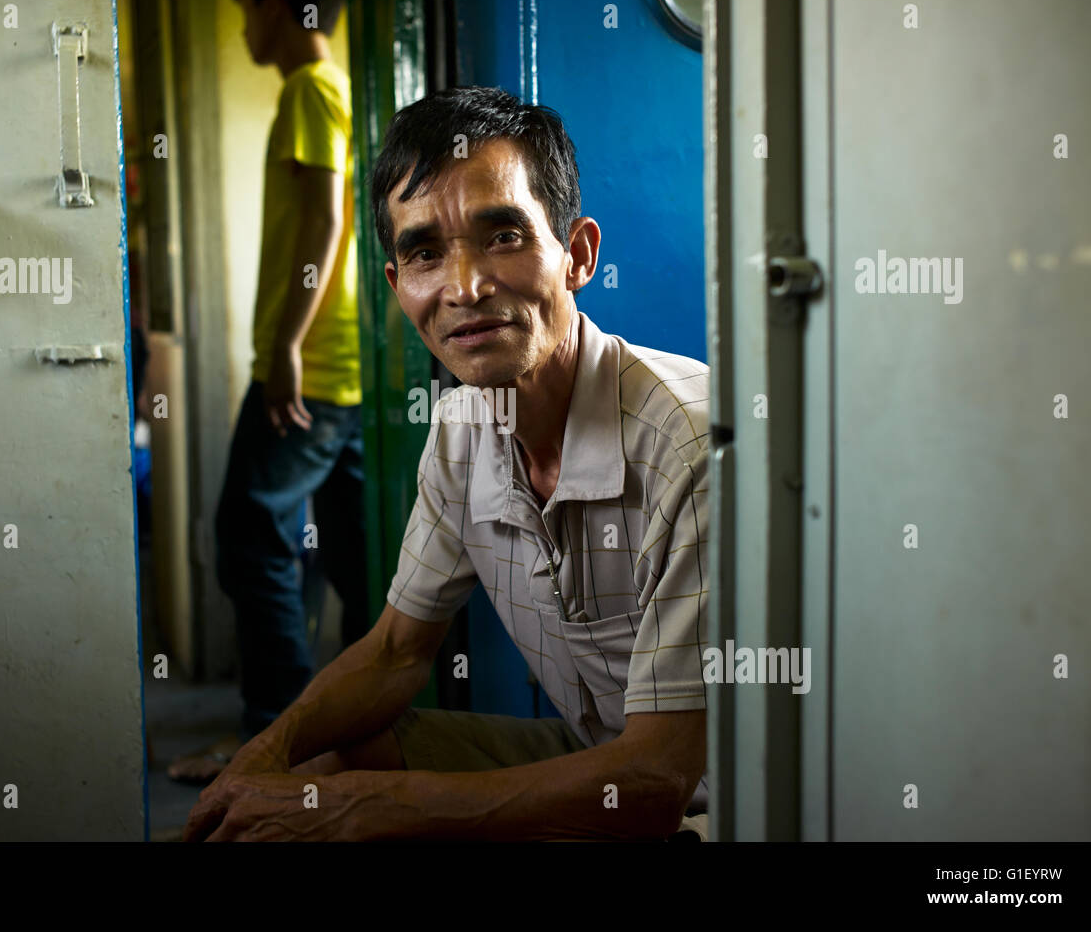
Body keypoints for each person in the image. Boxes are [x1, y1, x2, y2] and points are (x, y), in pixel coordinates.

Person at [183, 86, 710, 840]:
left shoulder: (687, 445)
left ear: (579, 256)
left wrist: (362, 812)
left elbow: (658, 780)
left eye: (503, 236)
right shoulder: (463, 425)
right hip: (604, 759)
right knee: (328, 759)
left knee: (350, 805)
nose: (463, 287)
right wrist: (264, 752)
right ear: (399, 288)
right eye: (426, 252)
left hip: (730, 798)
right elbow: (397, 650)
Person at [167, 0, 366, 784]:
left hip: (307, 368)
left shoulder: (310, 91)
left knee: (250, 541)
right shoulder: (337, 87)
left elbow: (326, 220)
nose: (242, 25)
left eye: (244, 6)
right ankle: (342, 741)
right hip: (345, 368)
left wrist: (285, 343)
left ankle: (273, 746)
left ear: (276, 3)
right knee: (357, 564)